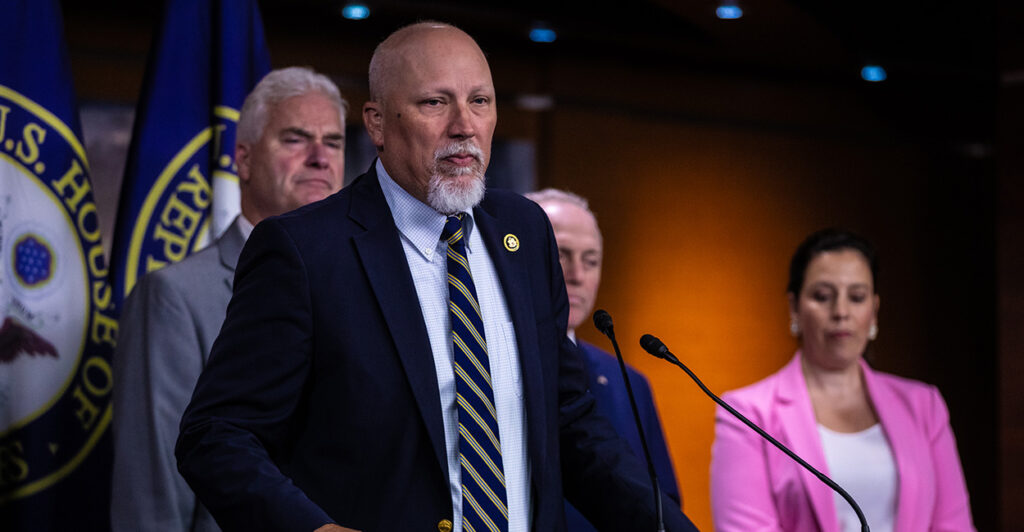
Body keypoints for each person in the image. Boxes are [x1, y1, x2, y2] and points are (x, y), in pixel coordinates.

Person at [175, 22, 698, 532]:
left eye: (481, 101)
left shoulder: (525, 232)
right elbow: (216, 435)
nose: (464, 126)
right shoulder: (306, 251)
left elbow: (569, 422)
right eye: (434, 103)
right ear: (377, 123)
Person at [111, 66, 347, 532]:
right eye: (296, 139)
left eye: (334, 142)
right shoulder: (173, 297)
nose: (321, 157)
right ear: (243, 160)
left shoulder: (356, 285)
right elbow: (153, 494)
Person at [710, 228, 975, 531]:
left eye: (857, 297)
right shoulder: (745, 413)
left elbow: (953, 526)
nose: (841, 311)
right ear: (794, 307)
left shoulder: (923, 404)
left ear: (874, 310)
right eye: (823, 296)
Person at [525, 188, 681, 530]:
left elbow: (661, 499)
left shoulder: (629, 382)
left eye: (591, 260)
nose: (577, 275)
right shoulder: (483, 364)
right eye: (560, 256)